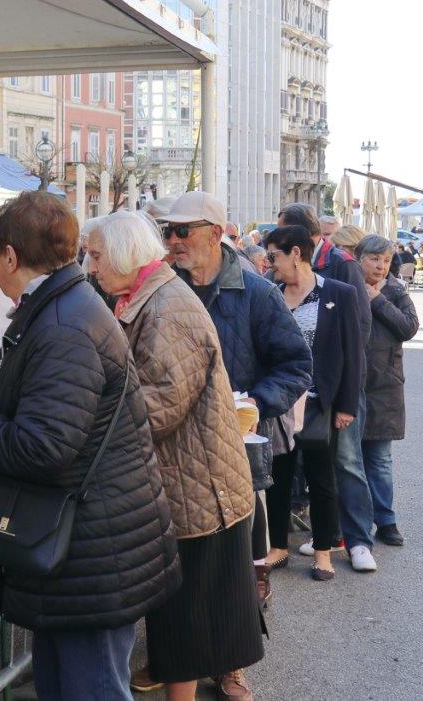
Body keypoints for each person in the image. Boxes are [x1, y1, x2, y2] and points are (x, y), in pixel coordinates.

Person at [0, 193, 180, 701]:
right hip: (88, 543)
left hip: (92, 550)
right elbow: (44, 396)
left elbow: (42, 444)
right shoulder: (63, 305)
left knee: (90, 689)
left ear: (9, 256)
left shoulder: (62, 324)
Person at [87, 211, 263, 701]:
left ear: (124, 256)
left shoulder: (166, 307)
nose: (91, 266)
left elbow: (158, 407)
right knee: (185, 616)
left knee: (186, 617)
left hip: (197, 486)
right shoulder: (148, 296)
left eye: (98, 256)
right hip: (192, 481)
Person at [157, 191, 311, 623]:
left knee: (238, 561)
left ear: (214, 234)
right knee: (174, 560)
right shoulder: (163, 291)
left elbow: (297, 365)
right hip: (175, 449)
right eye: (169, 231)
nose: (173, 240)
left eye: (182, 230)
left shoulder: (257, 294)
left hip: (233, 448)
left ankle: (233, 663)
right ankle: (176, 661)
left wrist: (255, 402)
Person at [278, 203, 377, 570]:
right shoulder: (286, 278)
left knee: (347, 463)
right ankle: (328, 536)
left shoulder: (342, 265)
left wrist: (345, 395)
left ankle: (358, 539)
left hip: (333, 390)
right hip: (298, 394)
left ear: (300, 241)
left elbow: (358, 331)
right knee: (309, 467)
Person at [355, 234, 419, 548]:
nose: (380, 266)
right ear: (359, 258)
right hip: (353, 386)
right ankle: (357, 522)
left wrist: (377, 300)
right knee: (350, 460)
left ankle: (386, 520)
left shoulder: (395, 291)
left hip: (385, 386)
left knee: (379, 459)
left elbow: (408, 327)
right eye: (374, 259)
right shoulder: (346, 288)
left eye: (386, 260)